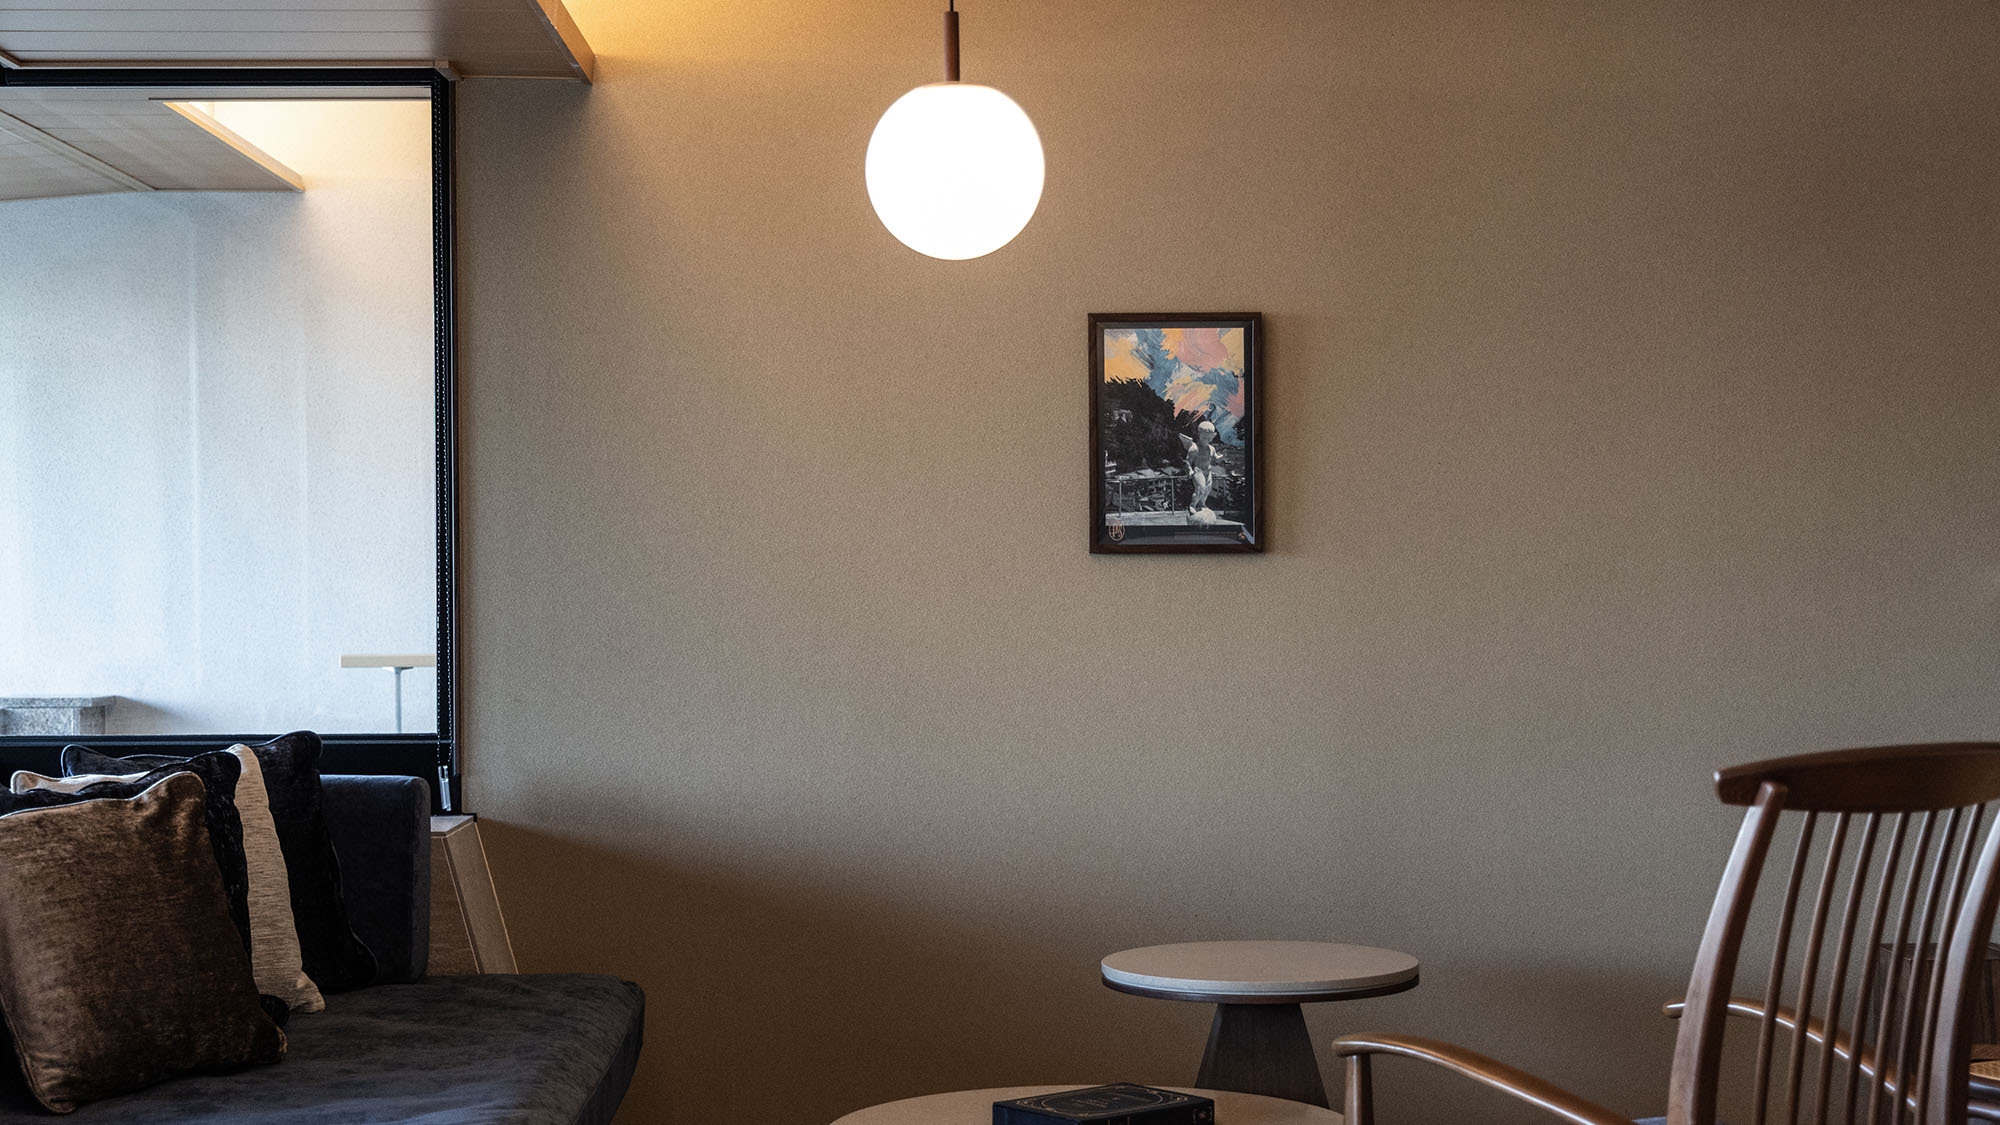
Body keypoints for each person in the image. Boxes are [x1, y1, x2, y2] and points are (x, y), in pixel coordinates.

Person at [1179, 420, 1222, 523]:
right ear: (1199, 435)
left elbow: (1215, 458)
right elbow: (1188, 461)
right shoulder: (1194, 448)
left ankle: (1202, 503)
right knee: (1200, 489)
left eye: (1209, 438)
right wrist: (1190, 470)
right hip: (1198, 471)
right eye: (1204, 438)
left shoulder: (1211, 448)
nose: (1207, 440)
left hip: (1208, 472)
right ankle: (1192, 505)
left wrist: (1221, 457)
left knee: (1207, 489)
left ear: (1212, 437)